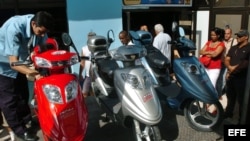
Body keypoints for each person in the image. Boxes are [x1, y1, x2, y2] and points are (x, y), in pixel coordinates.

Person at [0, 11, 54, 141]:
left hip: (21, 63)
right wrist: (34, 73)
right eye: (40, 32)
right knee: (9, 100)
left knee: (23, 95)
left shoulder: (39, 25)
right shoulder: (14, 29)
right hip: (3, 65)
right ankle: (19, 130)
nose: (42, 35)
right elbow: (13, 63)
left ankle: (27, 120)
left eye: (44, 32)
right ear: (34, 24)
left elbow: (44, 48)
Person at [224, 29, 250, 124]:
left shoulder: (248, 48)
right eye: (237, 36)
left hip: (242, 79)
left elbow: (244, 64)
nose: (237, 38)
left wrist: (231, 70)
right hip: (231, 77)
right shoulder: (234, 47)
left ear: (246, 37)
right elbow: (227, 59)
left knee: (242, 101)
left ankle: (242, 120)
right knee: (230, 97)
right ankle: (228, 113)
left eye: (240, 36)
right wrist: (229, 68)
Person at [216, 27, 238, 96]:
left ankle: (219, 94)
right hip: (220, 62)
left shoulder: (235, 41)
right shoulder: (221, 41)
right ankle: (218, 92)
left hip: (228, 63)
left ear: (231, 34)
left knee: (223, 79)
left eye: (228, 34)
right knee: (218, 78)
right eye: (225, 33)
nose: (226, 35)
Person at [79, 32, 96, 98]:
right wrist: (80, 74)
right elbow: (82, 62)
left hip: (97, 75)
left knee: (95, 92)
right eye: (89, 37)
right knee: (84, 92)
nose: (90, 38)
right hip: (88, 75)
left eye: (92, 37)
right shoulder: (84, 49)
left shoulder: (98, 48)